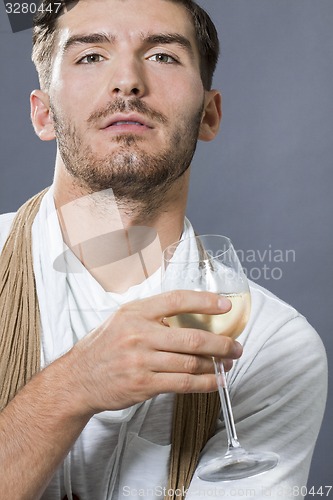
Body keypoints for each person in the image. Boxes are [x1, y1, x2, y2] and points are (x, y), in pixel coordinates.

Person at [0, 0, 327, 498]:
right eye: (91, 56)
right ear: (44, 113)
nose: (128, 81)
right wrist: (72, 387)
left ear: (209, 115)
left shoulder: (271, 345)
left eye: (163, 56)